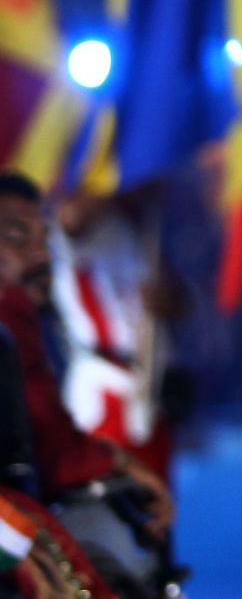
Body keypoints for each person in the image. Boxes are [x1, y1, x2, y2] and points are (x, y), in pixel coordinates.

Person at [0, 171, 174, 598]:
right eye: (18, 240)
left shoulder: (17, 315)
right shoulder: (10, 314)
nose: (41, 256)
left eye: (43, 238)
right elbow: (52, 448)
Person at [50, 187, 181, 482]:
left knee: (156, 512)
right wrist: (120, 181)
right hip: (105, 390)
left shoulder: (142, 225)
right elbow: (71, 220)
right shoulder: (76, 224)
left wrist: (168, 297)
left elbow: (179, 299)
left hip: (152, 385)